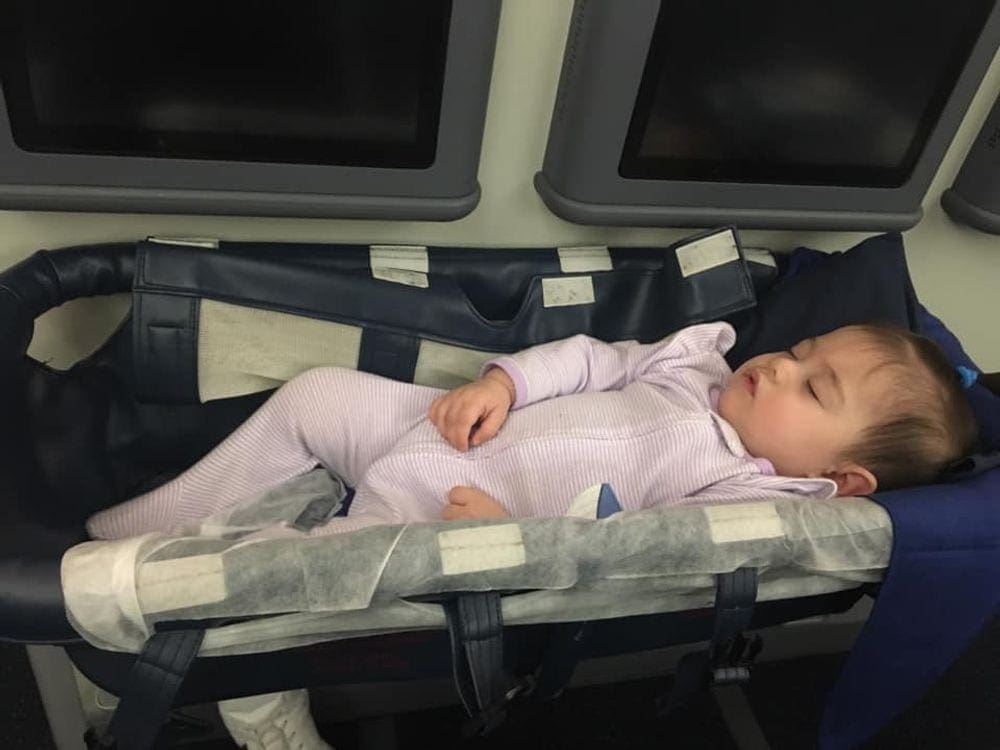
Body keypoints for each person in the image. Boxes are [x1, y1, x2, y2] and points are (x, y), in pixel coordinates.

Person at [86, 321, 978, 541]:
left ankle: (150, 583)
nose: (781, 365)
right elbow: (589, 359)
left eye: (814, 389)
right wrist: (503, 383)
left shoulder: (753, 491)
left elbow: (638, 550)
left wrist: (521, 546)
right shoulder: (693, 368)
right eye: (801, 349)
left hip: (460, 505)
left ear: (843, 476)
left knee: (316, 567)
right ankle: (135, 525)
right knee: (317, 394)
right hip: (452, 427)